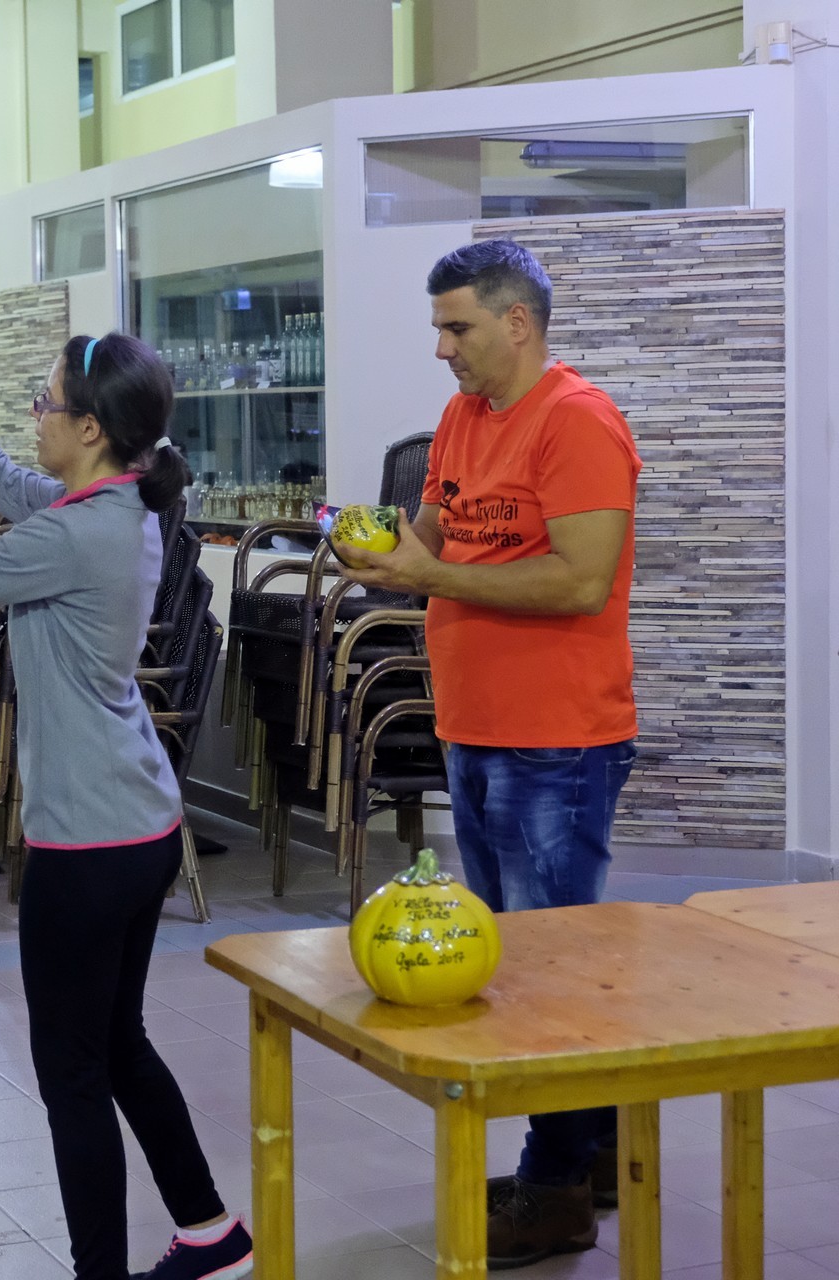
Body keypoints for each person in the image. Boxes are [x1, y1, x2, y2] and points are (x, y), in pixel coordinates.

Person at [0, 334, 253, 1280]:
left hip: (89, 845)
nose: (36, 415)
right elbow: (0, 477)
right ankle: (209, 1232)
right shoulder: (117, 502)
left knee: (73, 1074)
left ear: (91, 428)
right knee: (117, 1043)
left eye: (46, 402)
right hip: (140, 824)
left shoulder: (77, 533)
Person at [337, 238, 641, 1269]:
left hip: (558, 738)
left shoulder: (579, 421)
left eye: (457, 327)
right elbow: (430, 544)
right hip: (474, 723)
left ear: (519, 322)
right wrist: (379, 554)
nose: (442, 348)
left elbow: (580, 581)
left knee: (551, 969)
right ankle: (592, 1151)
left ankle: (556, 1190)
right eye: (438, 328)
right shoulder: (465, 417)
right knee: (525, 953)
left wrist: (431, 575)